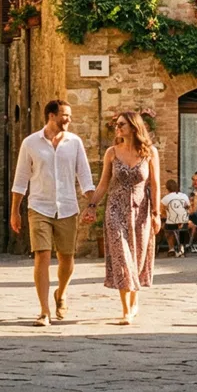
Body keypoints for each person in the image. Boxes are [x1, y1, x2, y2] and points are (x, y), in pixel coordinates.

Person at [10, 99, 95, 327]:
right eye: (64, 115)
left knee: (67, 258)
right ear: (51, 116)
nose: (68, 119)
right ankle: (44, 310)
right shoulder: (30, 144)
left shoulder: (74, 143)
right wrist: (15, 211)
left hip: (67, 207)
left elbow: (85, 177)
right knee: (42, 255)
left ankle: (61, 293)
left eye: (69, 115)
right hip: (39, 207)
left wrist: (92, 204)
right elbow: (20, 180)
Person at [84, 111, 160, 325]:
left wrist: (156, 214)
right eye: (117, 125)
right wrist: (91, 206)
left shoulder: (149, 153)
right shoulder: (112, 153)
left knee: (137, 256)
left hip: (141, 210)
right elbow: (103, 184)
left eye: (122, 125)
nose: (117, 128)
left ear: (134, 127)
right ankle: (126, 308)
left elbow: (154, 184)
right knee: (121, 256)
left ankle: (135, 302)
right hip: (115, 209)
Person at [160, 179, 193, 257]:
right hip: (184, 222)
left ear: (167, 188)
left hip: (171, 223)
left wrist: (166, 215)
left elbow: (161, 210)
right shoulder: (184, 196)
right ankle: (182, 247)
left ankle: (171, 248)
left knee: (167, 229)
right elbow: (189, 208)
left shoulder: (166, 198)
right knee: (183, 229)